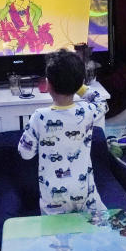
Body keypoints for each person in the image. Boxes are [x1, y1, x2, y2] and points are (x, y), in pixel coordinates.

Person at [18, 50, 109, 215]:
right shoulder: (88, 111)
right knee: (96, 234)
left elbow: (25, 153)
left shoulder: (39, 117)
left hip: (53, 198)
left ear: (48, 84)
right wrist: (79, 86)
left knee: (55, 238)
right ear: (79, 83)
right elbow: (102, 103)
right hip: (85, 192)